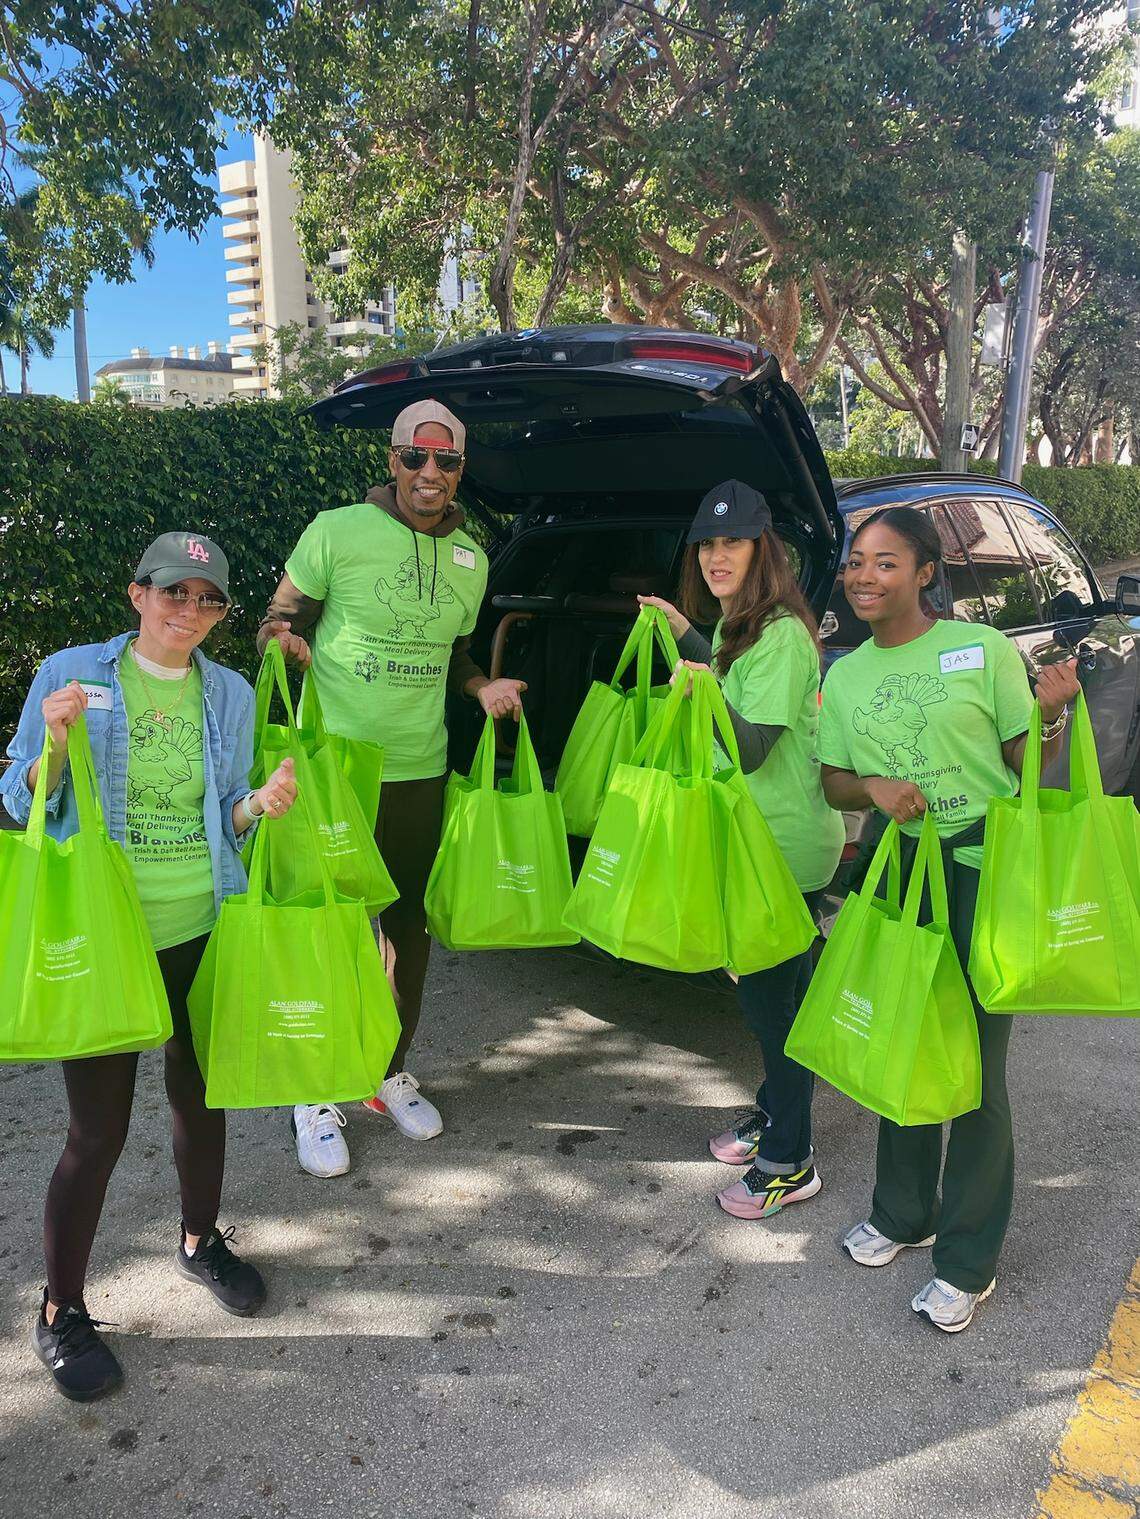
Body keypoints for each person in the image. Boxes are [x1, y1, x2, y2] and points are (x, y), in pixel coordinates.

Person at [0, 532, 298, 1401]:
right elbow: (18, 796)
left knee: (200, 1096)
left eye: (209, 600)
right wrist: (52, 746)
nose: (189, 612)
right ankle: (59, 1309)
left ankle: (200, 1239)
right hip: (107, 933)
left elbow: (225, 813)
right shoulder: (72, 672)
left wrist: (259, 804)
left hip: (201, 927)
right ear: (137, 594)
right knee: (97, 1131)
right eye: (174, 592)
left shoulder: (231, 692)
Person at [816, 505, 1079, 1333]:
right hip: (899, 872)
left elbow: (1024, 767)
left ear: (926, 571)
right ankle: (902, 1213)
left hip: (977, 871)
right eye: (856, 562)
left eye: (885, 562)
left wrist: (1055, 716)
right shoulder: (848, 674)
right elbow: (832, 781)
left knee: (975, 1066)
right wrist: (877, 790)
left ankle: (968, 1258)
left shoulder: (982, 652)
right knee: (903, 1035)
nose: (865, 576)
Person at [259, 399, 526, 1177]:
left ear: (460, 470)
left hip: (420, 768)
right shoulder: (335, 530)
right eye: (416, 456)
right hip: (334, 772)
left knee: (408, 928)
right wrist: (287, 639)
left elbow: (458, 655)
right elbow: (276, 620)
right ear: (393, 458)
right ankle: (314, 1094)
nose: (430, 473)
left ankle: (385, 1071)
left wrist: (479, 687)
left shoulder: (473, 560)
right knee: (330, 927)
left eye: (446, 461)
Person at [640, 479, 846, 1219]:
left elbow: (752, 745)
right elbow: (732, 685)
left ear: (764, 549)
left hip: (783, 850)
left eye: (733, 542)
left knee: (772, 1009)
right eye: (707, 543)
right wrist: (686, 635)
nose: (717, 555)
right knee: (774, 996)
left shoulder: (785, 631)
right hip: (755, 844)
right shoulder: (746, 627)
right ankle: (773, 1112)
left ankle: (792, 1159)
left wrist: (699, 687)